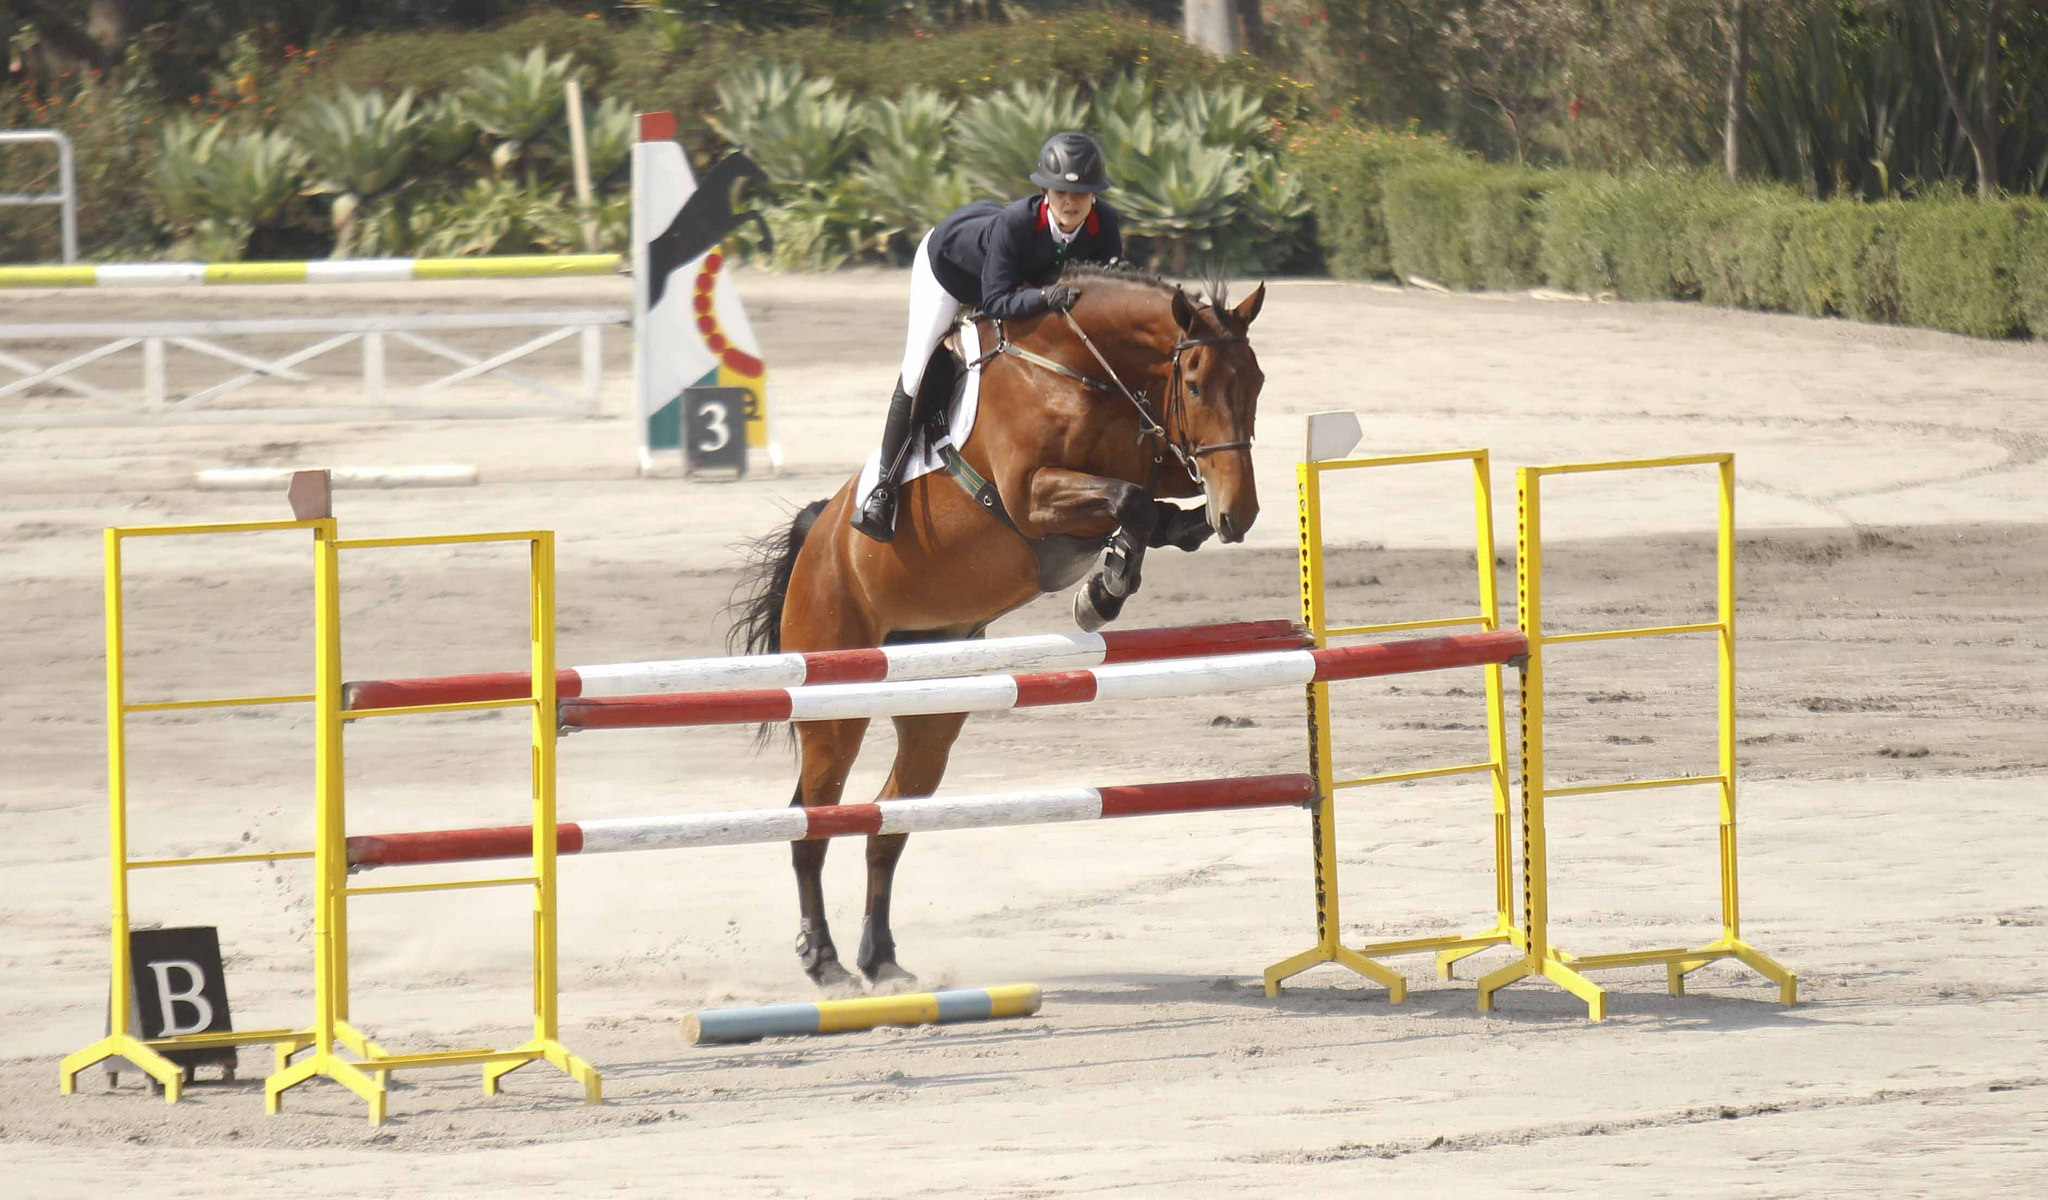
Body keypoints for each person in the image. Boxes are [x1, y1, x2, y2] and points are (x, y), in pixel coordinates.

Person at [852, 131, 1125, 543]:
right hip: (949, 271)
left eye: (1081, 194)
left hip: (1015, 280)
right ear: (1045, 192)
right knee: (917, 367)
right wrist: (1044, 297)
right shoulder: (1017, 224)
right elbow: (996, 300)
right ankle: (882, 490)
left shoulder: (1105, 225)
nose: (1071, 202)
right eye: (1061, 193)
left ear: (1095, 196)